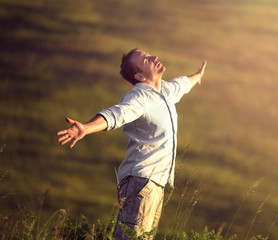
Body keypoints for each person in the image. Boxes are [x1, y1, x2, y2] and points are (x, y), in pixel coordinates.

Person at [57, 48, 206, 239]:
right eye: (145, 60)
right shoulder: (139, 97)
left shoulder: (165, 92)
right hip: (141, 181)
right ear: (139, 76)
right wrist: (86, 127)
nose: (154, 58)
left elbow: (182, 84)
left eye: (149, 55)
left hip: (154, 184)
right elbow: (116, 114)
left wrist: (198, 76)